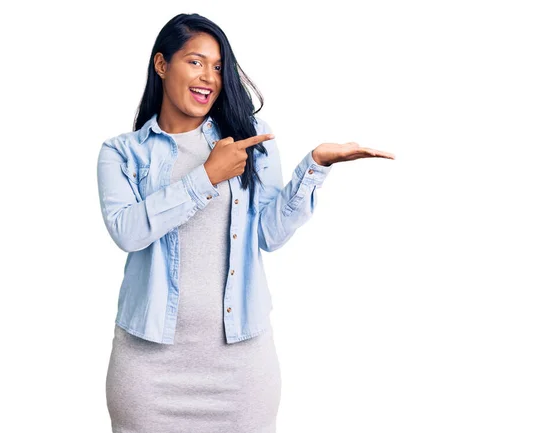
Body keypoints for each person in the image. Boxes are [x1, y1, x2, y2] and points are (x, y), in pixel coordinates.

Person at [96, 12, 395, 433]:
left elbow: (269, 235)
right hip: (148, 370)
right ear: (162, 65)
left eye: (218, 67)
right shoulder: (123, 152)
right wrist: (206, 177)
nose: (209, 77)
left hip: (240, 369)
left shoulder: (248, 137)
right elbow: (128, 232)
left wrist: (315, 166)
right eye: (195, 62)